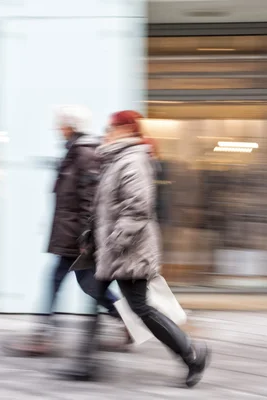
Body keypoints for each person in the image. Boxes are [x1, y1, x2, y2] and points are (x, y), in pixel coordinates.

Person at [58, 110, 210, 386]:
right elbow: (106, 206)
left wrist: (114, 242)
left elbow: (137, 208)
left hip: (127, 251)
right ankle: (85, 365)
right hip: (110, 249)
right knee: (95, 295)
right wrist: (92, 236)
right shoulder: (117, 159)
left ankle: (192, 354)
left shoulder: (133, 160)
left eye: (111, 127)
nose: (107, 131)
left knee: (141, 308)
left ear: (126, 128)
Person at [4, 105, 129, 355]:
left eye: (60, 123)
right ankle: (128, 322)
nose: (57, 128)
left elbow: (89, 199)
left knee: (59, 281)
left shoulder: (84, 153)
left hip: (76, 236)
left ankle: (43, 336)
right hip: (71, 233)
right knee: (88, 284)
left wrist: (86, 235)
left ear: (70, 126)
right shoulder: (75, 151)